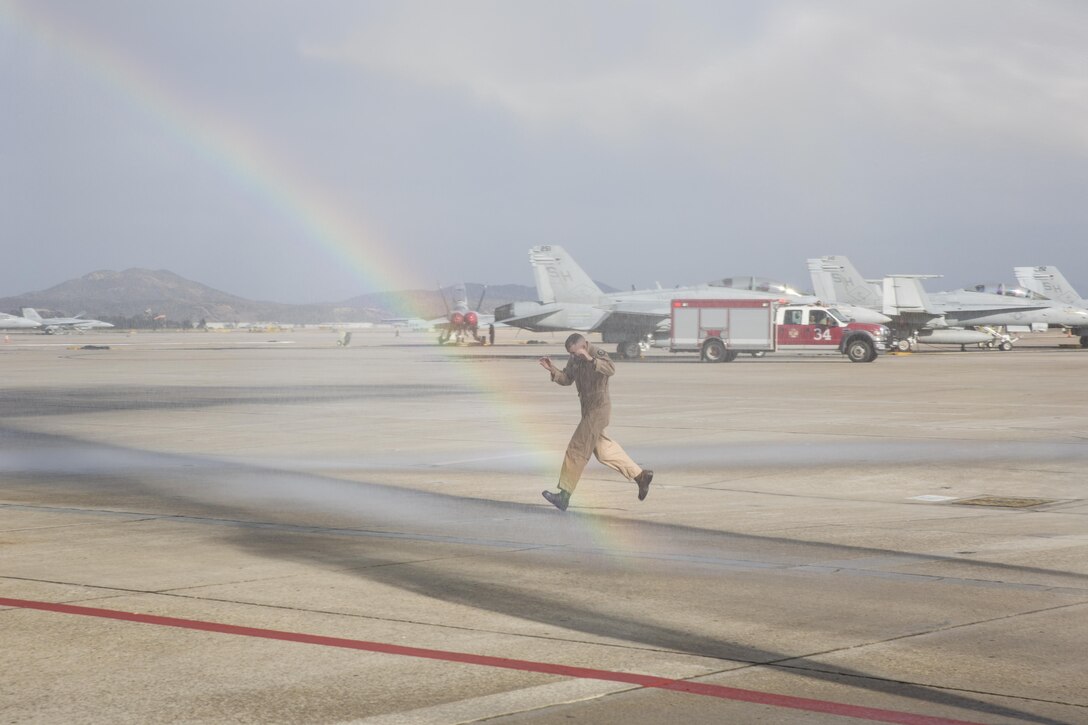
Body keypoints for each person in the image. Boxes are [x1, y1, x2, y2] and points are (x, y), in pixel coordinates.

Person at [537, 333, 652, 511]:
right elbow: (567, 379)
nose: (573, 356)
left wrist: (591, 359)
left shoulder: (597, 353)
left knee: (577, 448)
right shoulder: (574, 359)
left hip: (599, 409)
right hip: (588, 410)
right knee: (604, 451)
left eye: (575, 352)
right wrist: (552, 369)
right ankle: (640, 476)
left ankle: (564, 495)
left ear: (584, 346)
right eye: (570, 353)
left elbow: (611, 369)